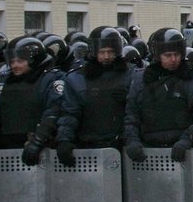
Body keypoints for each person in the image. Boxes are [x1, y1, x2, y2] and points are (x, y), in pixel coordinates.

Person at [0, 37, 65, 166]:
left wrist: (39, 140)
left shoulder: (51, 78)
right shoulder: (4, 80)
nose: (15, 65)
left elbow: (54, 110)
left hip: (40, 146)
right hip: (7, 144)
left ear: (34, 60)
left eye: (20, 61)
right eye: (12, 61)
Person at [123, 28, 193, 162]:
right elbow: (132, 115)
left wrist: (187, 139)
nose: (173, 59)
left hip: (185, 151)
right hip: (149, 150)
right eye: (168, 55)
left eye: (177, 54)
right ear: (158, 55)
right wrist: (132, 140)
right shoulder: (141, 80)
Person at [56, 26, 134, 165]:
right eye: (102, 52)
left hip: (122, 144)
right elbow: (69, 112)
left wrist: (129, 98)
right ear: (93, 52)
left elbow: (139, 110)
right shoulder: (78, 78)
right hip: (88, 144)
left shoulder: (131, 75)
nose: (106, 57)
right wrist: (64, 140)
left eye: (110, 52)